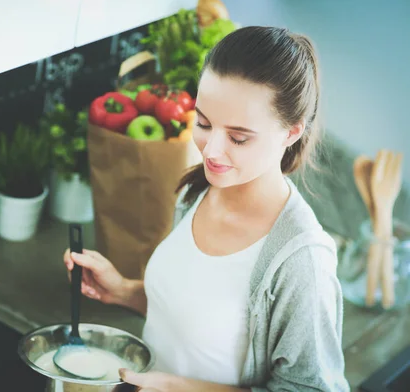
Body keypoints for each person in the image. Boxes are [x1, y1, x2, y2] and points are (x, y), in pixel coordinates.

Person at [63, 26, 350, 392]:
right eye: (203, 122)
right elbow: (193, 321)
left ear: (291, 133)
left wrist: (177, 387)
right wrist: (122, 290)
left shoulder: (300, 260)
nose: (211, 151)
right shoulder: (197, 192)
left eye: (238, 137)